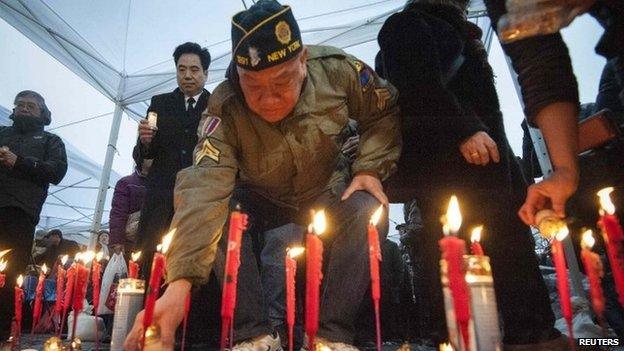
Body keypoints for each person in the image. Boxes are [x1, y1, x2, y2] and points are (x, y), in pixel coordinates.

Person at [124, 1, 401, 350]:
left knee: (367, 208)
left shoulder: (337, 71)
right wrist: (178, 284)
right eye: (253, 86)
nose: (270, 100)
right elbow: (203, 188)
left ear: (302, 60)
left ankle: (331, 335)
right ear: (238, 77)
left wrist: (369, 169)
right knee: (220, 212)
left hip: (326, 188)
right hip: (261, 197)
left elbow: (385, 109)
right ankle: (252, 334)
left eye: (282, 81)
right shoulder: (223, 107)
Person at [377, 1, 566, 349]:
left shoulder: (456, 30)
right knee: (457, 259)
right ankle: (460, 339)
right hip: (448, 172)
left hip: (491, 172)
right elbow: (414, 84)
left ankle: (530, 335)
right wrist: (463, 130)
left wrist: (519, 181)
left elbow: (489, 115)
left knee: (509, 251)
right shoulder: (407, 23)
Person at [133, 42, 211, 273]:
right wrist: (145, 141)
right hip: (162, 196)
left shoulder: (217, 105)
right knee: (153, 258)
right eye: (181, 69)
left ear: (205, 73)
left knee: (192, 259)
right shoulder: (160, 103)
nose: (187, 75)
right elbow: (145, 154)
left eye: (194, 70)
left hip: (199, 196)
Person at [0, 90, 67, 345]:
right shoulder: (1, 132)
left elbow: (56, 171)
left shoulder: (51, 141)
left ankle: (3, 330)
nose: (25, 109)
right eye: (21, 105)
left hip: (20, 214)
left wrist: (19, 162)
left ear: (43, 113)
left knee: (9, 275)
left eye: (31, 106)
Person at [108, 156, 150, 254]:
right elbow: (118, 213)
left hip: (153, 239)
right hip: (130, 241)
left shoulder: (163, 183)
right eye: (149, 156)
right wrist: (117, 241)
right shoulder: (126, 183)